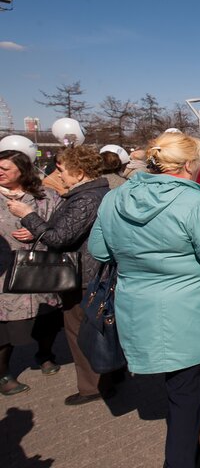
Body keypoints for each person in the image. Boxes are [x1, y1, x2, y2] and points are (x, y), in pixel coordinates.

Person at [89, 132, 200, 467]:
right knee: (184, 397)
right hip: (187, 311)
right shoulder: (193, 202)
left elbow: (99, 250)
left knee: (182, 380)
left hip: (137, 306)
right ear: (189, 164)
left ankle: (199, 398)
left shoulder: (114, 198)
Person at [7, 145, 113, 406]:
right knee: (98, 329)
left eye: (63, 170)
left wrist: (29, 217)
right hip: (91, 271)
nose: (58, 174)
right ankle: (108, 375)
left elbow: (60, 237)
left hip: (81, 274)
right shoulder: (94, 193)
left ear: (79, 172)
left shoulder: (86, 198)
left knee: (80, 333)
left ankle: (92, 386)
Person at [0, 150, 63, 396]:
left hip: (39, 269)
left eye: (6, 168)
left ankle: (45, 354)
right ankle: (3, 373)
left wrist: (38, 230)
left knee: (46, 318)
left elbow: (61, 227)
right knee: (4, 327)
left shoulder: (45, 196)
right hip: (4, 272)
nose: (1, 172)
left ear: (23, 170)